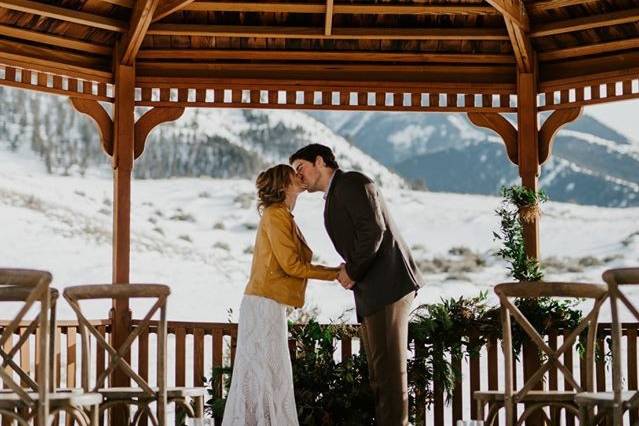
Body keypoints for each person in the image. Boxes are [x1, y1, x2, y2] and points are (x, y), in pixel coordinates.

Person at [290, 144, 424, 426]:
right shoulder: (337, 193)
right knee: (380, 374)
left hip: (387, 285)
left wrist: (351, 271)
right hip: (374, 289)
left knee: (388, 375)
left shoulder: (352, 183)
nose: (298, 176)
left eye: (300, 167)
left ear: (319, 161)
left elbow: (373, 230)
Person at [222, 164, 340, 426]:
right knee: (263, 372)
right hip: (263, 303)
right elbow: (292, 265)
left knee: (268, 372)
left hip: (268, 302)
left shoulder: (282, 214)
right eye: (293, 174)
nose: (299, 176)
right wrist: (335, 273)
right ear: (282, 185)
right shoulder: (276, 216)